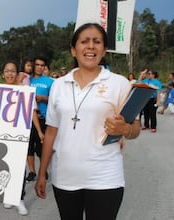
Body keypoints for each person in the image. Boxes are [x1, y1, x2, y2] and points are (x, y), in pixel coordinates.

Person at [34, 23, 141, 220]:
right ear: (73, 50)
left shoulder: (119, 83)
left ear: (104, 49)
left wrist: (125, 128)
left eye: (97, 42)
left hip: (105, 178)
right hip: (64, 177)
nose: (90, 46)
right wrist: (42, 173)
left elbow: (136, 128)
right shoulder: (58, 85)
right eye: (84, 42)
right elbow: (51, 132)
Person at [0, 60, 44, 215]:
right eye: (7, 71)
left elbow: (32, 112)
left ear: (17, 74)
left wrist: (39, 131)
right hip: (1, 133)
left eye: (13, 71)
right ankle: (7, 195)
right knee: (3, 165)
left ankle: (19, 199)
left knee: (19, 166)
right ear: (3, 74)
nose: (10, 74)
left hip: (20, 133)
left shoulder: (25, 90)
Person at [26, 56, 54, 182]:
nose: (39, 67)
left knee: (42, 147)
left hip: (44, 117)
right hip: (27, 118)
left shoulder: (50, 82)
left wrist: (42, 98)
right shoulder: (27, 80)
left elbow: (55, 100)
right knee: (29, 146)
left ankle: (43, 169)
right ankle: (32, 171)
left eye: (42, 65)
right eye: (37, 65)